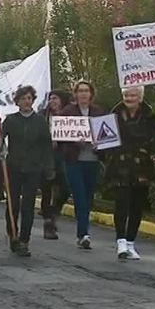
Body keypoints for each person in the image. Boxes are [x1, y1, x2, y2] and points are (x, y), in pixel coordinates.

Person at [105, 86, 155, 260]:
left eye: (132, 95)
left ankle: (130, 242)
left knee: (137, 205)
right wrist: (99, 146)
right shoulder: (113, 115)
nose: (129, 98)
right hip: (120, 163)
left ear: (140, 97)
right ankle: (120, 240)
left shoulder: (150, 117)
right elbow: (105, 138)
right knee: (121, 202)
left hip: (141, 165)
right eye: (126, 95)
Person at [2, 86, 54, 256]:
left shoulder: (39, 121)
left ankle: (24, 240)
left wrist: (48, 167)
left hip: (33, 168)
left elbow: (46, 145)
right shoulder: (10, 120)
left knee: (28, 206)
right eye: (23, 98)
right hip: (14, 167)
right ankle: (13, 235)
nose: (27, 101)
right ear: (17, 101)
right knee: (13, 204)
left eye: (29, 98)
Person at [60, 81, 105, 250]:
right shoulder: (67, 112)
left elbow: (107, 135)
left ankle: (83, 232)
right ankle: (83, 234)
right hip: (74, 161)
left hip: (92, 160)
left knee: (88, 197)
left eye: (87, 91)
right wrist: (74, 140)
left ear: (91, 94)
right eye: (81, 91)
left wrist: (99, 144)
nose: (84, 94)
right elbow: (59, 137)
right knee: (80, 197)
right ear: (76, 94)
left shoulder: (98, 112)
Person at [39, 89, 71, 240]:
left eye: (56, 98)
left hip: (64, 155)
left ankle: (54, 212)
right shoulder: (42, 115)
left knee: (65, 187)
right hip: (46, 156)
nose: (52, 101)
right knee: (46, 188)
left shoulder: (70, 115)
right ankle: (47, 222)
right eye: (50, 98)